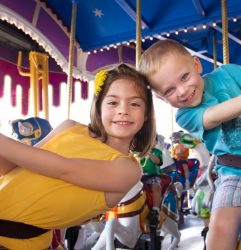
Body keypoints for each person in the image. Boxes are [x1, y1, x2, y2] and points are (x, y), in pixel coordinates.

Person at [139, 39, 241, 250]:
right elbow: (213, 116)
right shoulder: (185, 115)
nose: (182, 91)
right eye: (169, 91)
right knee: (220, 227)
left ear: (196, 65)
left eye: (184, 77)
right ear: (161, 98)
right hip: (238, 175)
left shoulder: (228, 74)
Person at [0, 63, 156, 249]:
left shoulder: (128, 169)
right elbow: (12, 167)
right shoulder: (69, 127)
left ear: (146, 114)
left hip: (16, 242)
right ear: (98, 107)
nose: (123, 110)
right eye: (113, 102)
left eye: (135, 104)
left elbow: (63, 169)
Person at [140, 135, 163, 227]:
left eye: (152, 141)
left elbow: (158, 162)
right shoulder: (140, 153)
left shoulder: (157, 152)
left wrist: (149, 154)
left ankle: (155, 208)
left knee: (156, 187)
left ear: (156, 142)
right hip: (141, 176)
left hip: (153, 174)